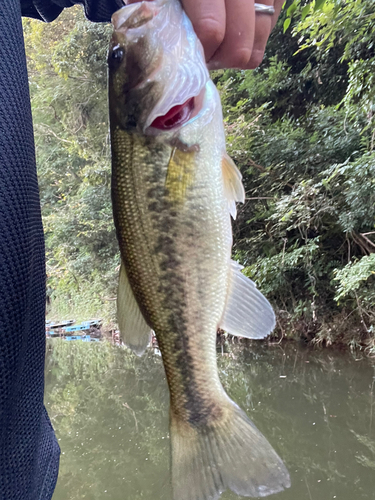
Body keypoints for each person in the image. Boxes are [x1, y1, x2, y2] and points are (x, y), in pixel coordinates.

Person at [0, 1, 282, 499]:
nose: (125, 38)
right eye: (118, 59)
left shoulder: (172, 127)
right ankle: (200, 408)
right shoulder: (171, 128)